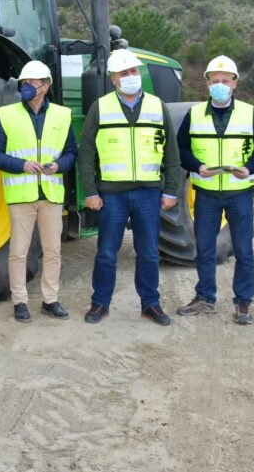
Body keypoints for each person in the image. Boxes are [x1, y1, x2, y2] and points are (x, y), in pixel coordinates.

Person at [79, 48, 181, 326]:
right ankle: (100, 303)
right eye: (125, 73)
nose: (131, 76)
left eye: (134, 71)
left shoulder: (157, 106)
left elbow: (171, 152)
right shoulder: (100, 107)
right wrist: (90, 191)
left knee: (148, 253)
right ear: (114, 79)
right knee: (106, 253)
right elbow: (86, 153)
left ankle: (151, 304)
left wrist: (171, 190)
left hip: (148, 194)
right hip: (112, 195)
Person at [176, 55, 254, 325]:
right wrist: (196, 165)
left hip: (239, 191)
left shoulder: (249, 113)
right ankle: (205, 297)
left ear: (235, 83)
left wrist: (250, 168)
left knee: (243, 249)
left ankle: (243, 302)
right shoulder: (194, 114)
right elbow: (181, 147)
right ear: (206, 83)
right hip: (206, 191)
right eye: (214, 81)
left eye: (225, 80)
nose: (220, 84)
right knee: (204, 248)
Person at [0, 60, 77, 323]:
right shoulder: (6, 114)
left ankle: (50, 300)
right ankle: (20, 302)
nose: (26, 87)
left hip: (50, 195)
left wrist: (58, 165)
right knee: (18, 252)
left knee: (53, 251)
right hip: (21, 196)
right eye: (23, 83)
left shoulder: (62, 115)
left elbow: (72, 152)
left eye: (32, 83)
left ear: (45, 86)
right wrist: (22, 165)